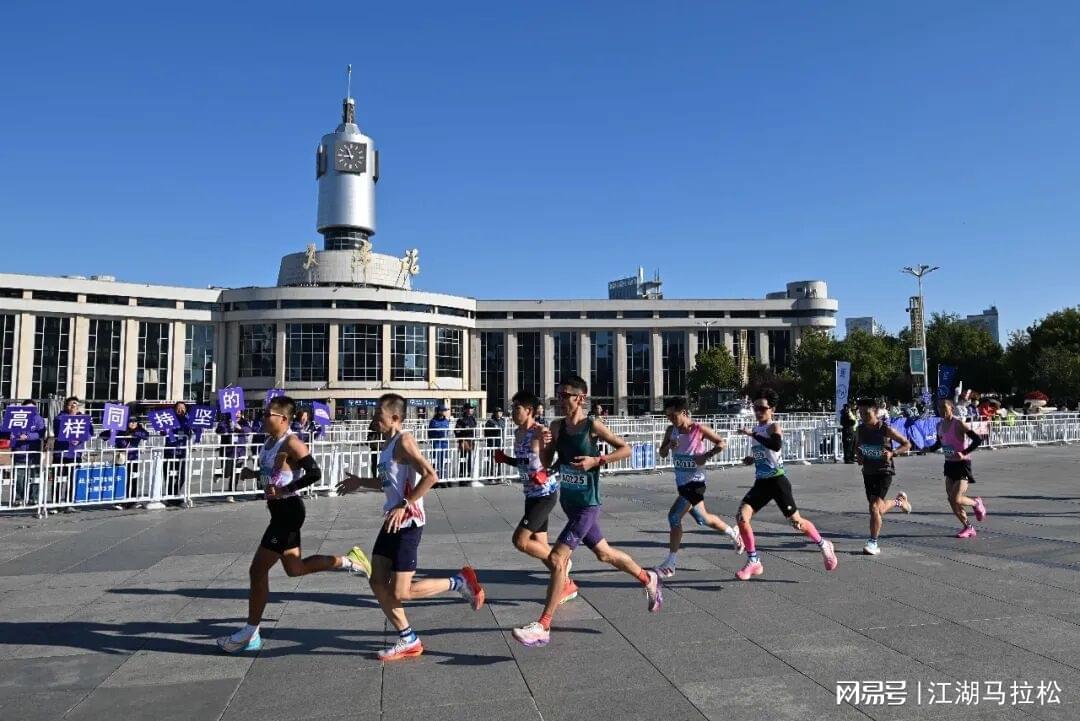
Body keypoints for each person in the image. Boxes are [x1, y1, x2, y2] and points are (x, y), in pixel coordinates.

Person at [512, 375, 662, 648]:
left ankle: (543, 626)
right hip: (570, 503)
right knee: (604, 553)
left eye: (566, 395)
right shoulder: (556, 427)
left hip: (588, 505)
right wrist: (545, 445)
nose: (560, 400)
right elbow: (548, 463)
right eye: (558, 395)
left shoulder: (591, 425)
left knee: (558, 559)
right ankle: (647, 577)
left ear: (580, 398)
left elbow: (625, 449)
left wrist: (597, 459)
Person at [217, 395, 372, 654]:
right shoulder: (269, 442)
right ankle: (349, 561)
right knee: (295, 569)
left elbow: (314, 473)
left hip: (288, 512)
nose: (263, 418)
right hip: (278, 511)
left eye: (268, 415)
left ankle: (250, 632)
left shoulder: (293, 442)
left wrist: (286, 490)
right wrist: (253, 474)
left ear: (283, 419)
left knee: (257, 571)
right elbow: (275, 475)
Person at [337, 393, 486, 661]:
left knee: (401, 591)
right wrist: (360, 481)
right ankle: (408, 639)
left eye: (378, 416)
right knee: (377, 581)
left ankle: (459, 582)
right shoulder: (387, 445)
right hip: (391, 521)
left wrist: (405, 503)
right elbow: (387, 483)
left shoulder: (404, 441)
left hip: (408, 522)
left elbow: (431, 476)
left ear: (395, 417)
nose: (374, 420)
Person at [733, 388, 838, 580]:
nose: (758, 412)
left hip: (778, 481)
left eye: (762, 408)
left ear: (772, 409)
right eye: (755, 408)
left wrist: (751, 434)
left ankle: (824, 544)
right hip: (761, 483)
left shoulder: (774, 426)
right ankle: (753, 560)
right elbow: (767, 454)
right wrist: (752, 458)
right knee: (742, 517)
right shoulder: (757, 429)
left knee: (796, 522)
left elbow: (776, 446)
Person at [492, 391, 579, 604]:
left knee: (521, 540)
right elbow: (525, 462)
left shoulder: (541, 432)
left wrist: (547, 472)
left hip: (545, 494)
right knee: (540, 547)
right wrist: (506, 459)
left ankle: (562, 566)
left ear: (528, 410)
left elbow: (557, 460)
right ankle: (565, 582)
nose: (512, 412)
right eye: (512, 408)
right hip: (530, 494)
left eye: (516, 409)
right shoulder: (517, 433)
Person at [654, 397, 743, 577]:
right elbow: (662, 454)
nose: (670, 419)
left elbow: (721, 442)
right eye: (668, 416)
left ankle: (670, 563)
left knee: (673, 517)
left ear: (685, 413)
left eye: (673, 415)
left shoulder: (698, 429)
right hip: (682, 484)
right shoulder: (671, 431)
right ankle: (733, 533)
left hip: (696, 484)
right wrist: (668, 446)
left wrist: (707, 455)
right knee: (704, 519)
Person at [853, 397, 913, 556]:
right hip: (868, 472)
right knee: (878, 509)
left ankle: (873, 542)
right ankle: (899, 501)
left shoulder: (885, 429)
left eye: (866, 413)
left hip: (884, 471)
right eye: (860, 413)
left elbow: (907, 444)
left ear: (875, 412)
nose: (863, 416)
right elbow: (857, 447)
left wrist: (893, 453)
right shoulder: (860, 429)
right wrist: (859, 456)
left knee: (873, 508)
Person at [925, 398, 988, 538]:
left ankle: (976, 502)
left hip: (962, 464)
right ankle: (968, 527)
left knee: (957, 498)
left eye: (944, 407)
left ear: (951, 408)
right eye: (939, 407)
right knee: (951, 499)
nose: (941, 410)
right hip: (949, 464)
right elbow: (940, 443)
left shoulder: (958, 423)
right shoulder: (939, 425)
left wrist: (964, 453)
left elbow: (977, 440)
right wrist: (929, 448)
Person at [10, 400, 46, 506]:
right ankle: (18, 498)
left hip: (34, 452)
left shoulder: (38, 419)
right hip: (19, 452)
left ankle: (33, 498)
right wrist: (11, 435)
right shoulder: (15, 417)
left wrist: (28, 436)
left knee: (35, 476)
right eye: (27, 408)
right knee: (19, 477)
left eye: (32, 408)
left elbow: (41, 433)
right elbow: (6, 429)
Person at [217, 412, 252, 501]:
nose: (237, 415)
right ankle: (217, 474)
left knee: (236, 473)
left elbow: (249, 430)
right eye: (235, 412)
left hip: (240, 451)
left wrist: (240, 428)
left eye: (239, 413)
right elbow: (219, 430)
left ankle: (231, 493)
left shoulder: (244, 422)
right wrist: (229, 427)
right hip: (228, 452)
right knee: (226, 472)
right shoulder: (224, 422)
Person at [163, 401, 193, 504]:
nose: (181, 410)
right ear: (175, 409)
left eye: (183, 408)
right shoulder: (169, 418)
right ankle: (170, 496)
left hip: (182, 451)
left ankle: (175, 494)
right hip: (170, 450)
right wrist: (165, 430)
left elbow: (192, 430)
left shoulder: (188, 419)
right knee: (170, 474)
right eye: (178, 408)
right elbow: (162, 431)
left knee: (182, 475)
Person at [455, 403, 479, 478]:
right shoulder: (461, 419)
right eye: (469, 408)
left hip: (471, 440)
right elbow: (456, 431)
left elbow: (474, 428)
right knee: (463, 457)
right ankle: (462, 473)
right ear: (465, 410)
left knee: (469, 458)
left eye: (472, 408)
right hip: (464, 440)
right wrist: (461, 437)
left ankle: (469, 473)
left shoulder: (473, 418)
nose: (471, 410)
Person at [428, 405, 451, 478]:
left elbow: (447, 432)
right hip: (436, 443)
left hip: (444, 443)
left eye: (445, 410)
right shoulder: (433, 421)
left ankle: (444, 477)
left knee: (444, 460)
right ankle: (436, 478)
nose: (445, 412)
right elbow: (430, 433)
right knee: (436, 460)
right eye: (444, 411)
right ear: (439, 411)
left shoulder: (446, 421)